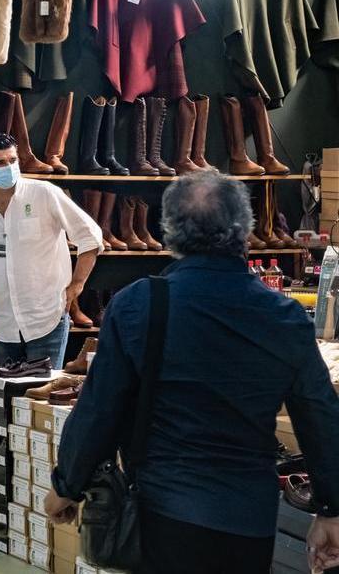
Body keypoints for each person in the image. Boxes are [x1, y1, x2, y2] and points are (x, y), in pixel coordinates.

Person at [45, 171, 339, 574]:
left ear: (169, 233)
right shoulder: (284, 316)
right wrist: (332, 508)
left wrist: (67, 485)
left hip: (164, 510)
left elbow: (100, 408)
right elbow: (320, 416)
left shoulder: (138, 305)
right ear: (246, 229)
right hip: (250, 518)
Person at [0, 133, 102, 371]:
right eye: (0, 163)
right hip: (3, 327)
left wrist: (77, 286)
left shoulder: (44, 194)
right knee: (5, 403)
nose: (9, 167)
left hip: (47, 319)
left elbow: (90, 236)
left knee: (38, 401)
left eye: (13, 161)